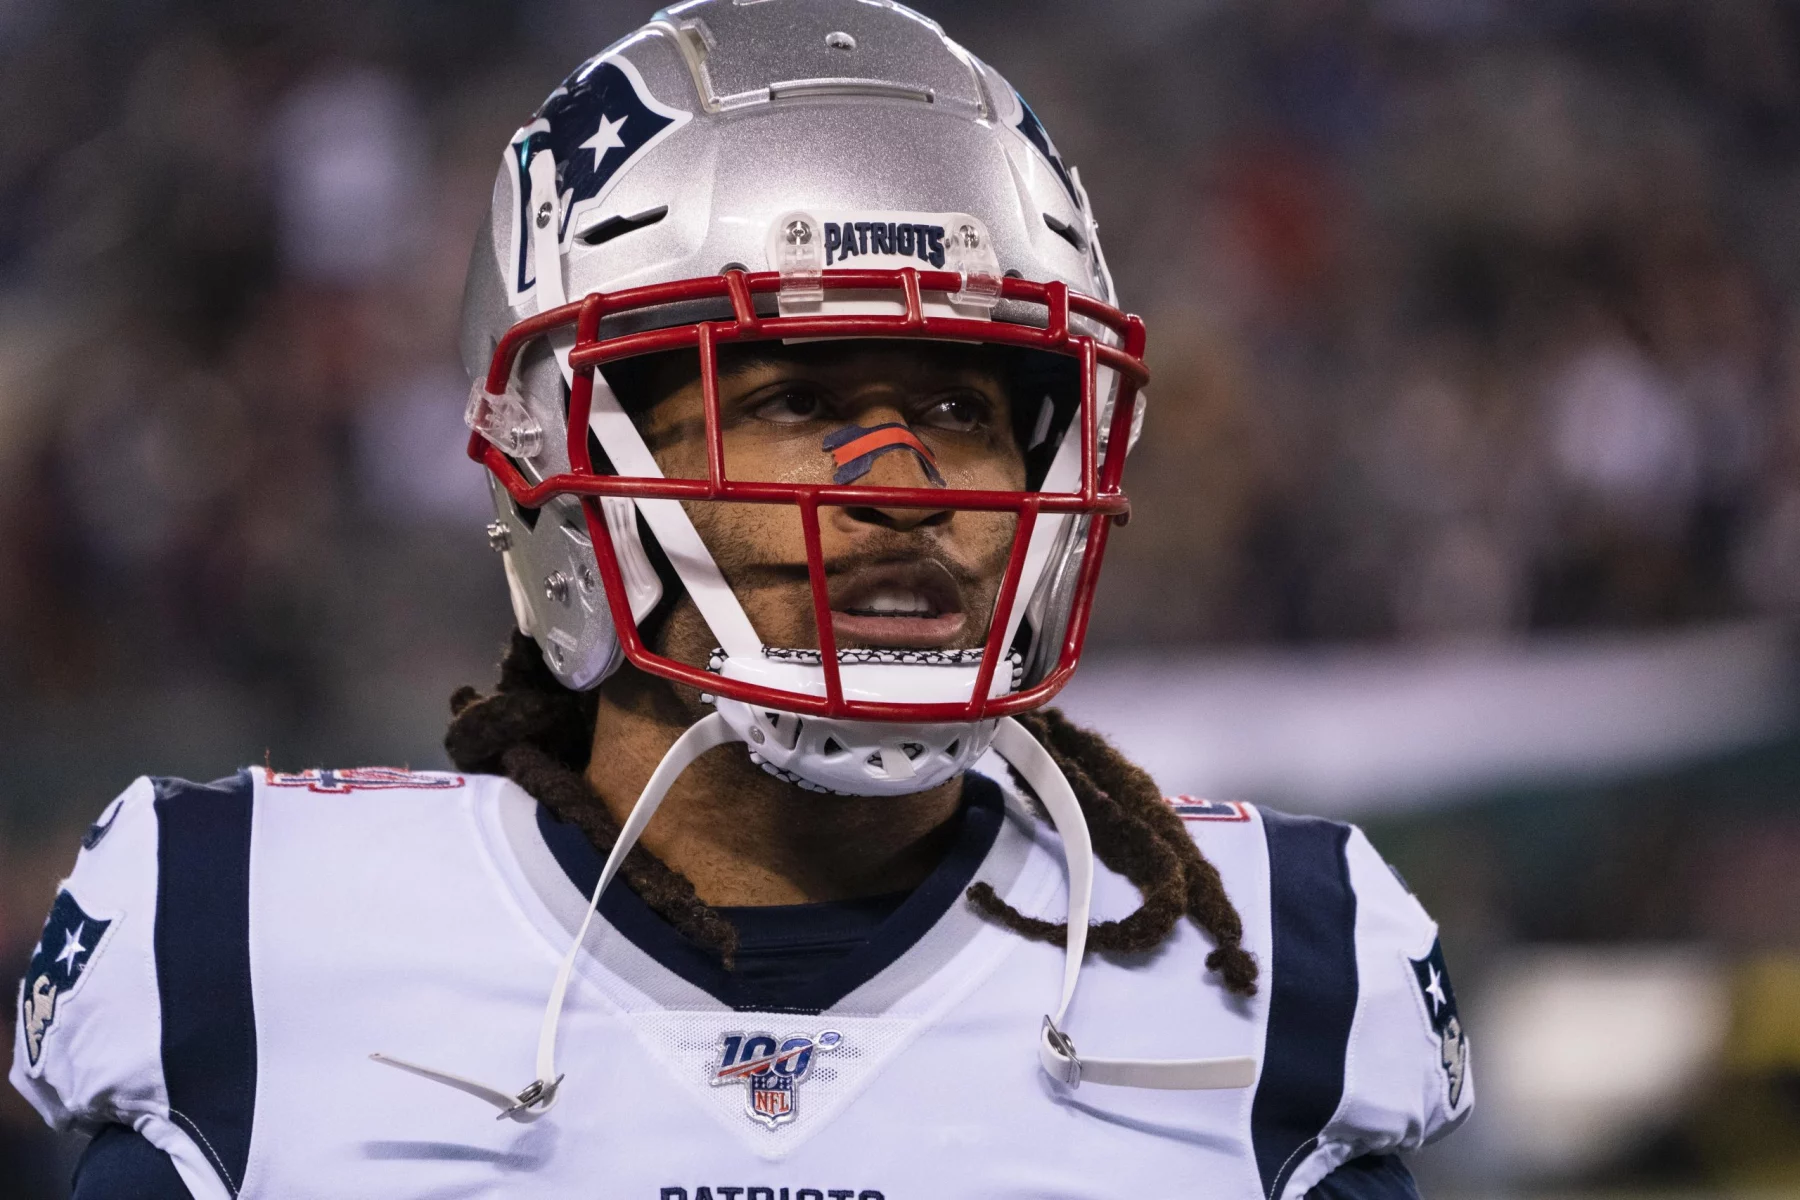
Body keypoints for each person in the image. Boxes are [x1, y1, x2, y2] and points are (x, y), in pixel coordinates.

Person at [10, 1, 1472, 1196]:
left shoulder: (1268, 964)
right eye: (790, 398)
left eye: (963, 407)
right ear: (563, 457)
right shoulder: (252, 947)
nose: (904, 482)